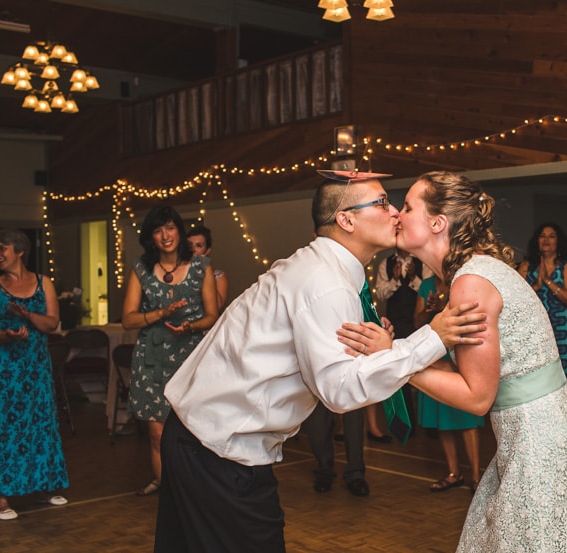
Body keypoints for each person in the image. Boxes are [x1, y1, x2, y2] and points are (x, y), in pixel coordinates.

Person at [154, 173, 486, 553]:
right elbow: (340, 391)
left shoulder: (322, 269)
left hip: (200, 438)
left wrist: (377, 346)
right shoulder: (326, 283)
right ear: (346, 220)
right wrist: (431, 340)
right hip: (214, 450)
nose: (394, 212)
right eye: (381, 203)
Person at [338, 171, 567, 551]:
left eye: (407, 207)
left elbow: (476, 397)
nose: (398, 215)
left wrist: (393, 358)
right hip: (535, 443)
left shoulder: (472, 282)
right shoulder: (471, 274)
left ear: (438, 223)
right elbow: (465, 373)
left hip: (544, 451)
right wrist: (400, 349)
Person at [121, 207, 219, 497]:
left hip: (192, 357)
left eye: (170, 228)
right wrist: (162, 313)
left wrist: (190, 326)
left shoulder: (202, 266)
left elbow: (213, 315)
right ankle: (170, 493)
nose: (165, 236)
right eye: (157, 230)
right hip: (152, 359)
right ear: (150, 237)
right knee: (157, 434)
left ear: (180, 231)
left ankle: (196, 491)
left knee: (195, 431)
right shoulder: (141, 269)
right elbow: (128, 318)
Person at [0, 229, 69, 520]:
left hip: (36, 366)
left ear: (19, 250)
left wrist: (27, 316)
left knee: (40, 424)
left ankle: (44, 487)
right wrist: (7, 335)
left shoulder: (45, 283)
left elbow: (52, 323)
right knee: (3, 428)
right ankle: (1, 498)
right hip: (3, 369)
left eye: (2, 248)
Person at [414, 274, 484, 493]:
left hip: (460, 352)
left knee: (466, 418)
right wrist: (428, 310)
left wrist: (443, 307)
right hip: (435, 353)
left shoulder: (461, 283)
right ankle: (454, 472)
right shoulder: (426, 286)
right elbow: (416, 322)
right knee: (442, 416)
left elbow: (473, 316)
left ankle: (476, 476)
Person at [375, 247, 432, 436]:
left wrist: (413, 278)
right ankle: (405, 425)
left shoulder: (423, 261)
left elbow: (429, 289)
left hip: (420, 324)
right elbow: (381, 294)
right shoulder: (386, 263)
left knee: (425, 369)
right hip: (397, 325)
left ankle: (430, 425)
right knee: (399, 374)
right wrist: (396, 279)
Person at [517, 222, 567, 385]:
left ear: (559, 241)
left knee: (562, 379)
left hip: (561, 329)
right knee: (535, 378)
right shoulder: (526, 266)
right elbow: (516, 299)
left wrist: (547, 281)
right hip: (533, 329)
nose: (546, 239)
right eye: (542, 236)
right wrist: (537, 285)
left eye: (551, 236)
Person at [187, 225, 230, 312]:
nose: (193, 249)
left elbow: (217, 305)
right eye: (189, 245)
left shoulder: (218, 276)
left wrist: (201, 271)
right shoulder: (175, 272)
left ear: (207, 251)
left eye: (198, 246)